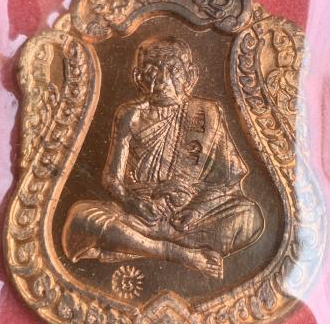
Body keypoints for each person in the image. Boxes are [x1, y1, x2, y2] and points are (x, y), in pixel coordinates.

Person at [62, 35, 263, 279]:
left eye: (174, 70)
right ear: (138, 77)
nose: (163, 80)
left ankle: (133, 247)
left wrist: (196, 210)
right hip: (140, 215)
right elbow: (112, 179)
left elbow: (226, 180)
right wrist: (132, 202)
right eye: (152, 71)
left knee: (249, 216)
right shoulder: (130, 115)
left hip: (186, 218)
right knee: (81, 217)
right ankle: (178, 253)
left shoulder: (206, 113)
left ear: (191, 75)